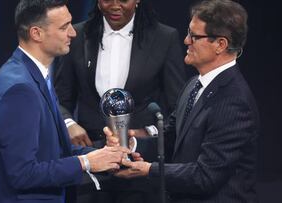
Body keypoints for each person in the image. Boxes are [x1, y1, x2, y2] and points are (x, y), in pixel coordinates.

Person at [106, 0, 260, 202]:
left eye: (194, 36)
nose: (186, 41)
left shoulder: (233, 101)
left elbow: (206, 176)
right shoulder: (193, 85)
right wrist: (131, 144)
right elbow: (170, 139)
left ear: (220, 45)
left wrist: (147, 170)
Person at [0, 1, 129, 202]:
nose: (73, 34)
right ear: (36, 33)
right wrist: (85, 162)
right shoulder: (20, 89)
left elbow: (51, 150)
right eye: (63, 27)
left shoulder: (34, 75)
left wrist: (102, 155)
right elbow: (22, 174)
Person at [53, 0, 187, 202]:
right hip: (90, 166)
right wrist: (69, 123)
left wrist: (146, 134)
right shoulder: (77, 35)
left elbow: (178, 109)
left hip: (139, 166)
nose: (115, 5)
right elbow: (59, 99)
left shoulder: (163, 38)